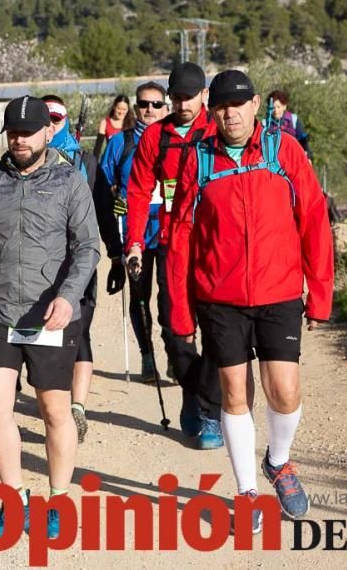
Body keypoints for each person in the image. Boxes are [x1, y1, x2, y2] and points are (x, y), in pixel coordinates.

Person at [166, 70, 334, 533]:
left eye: (238, 104)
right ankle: (245, 491)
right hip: (220, 299)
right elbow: (179, 237)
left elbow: (315, 219)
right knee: (235, 394)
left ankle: (278, 462)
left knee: (285, 391)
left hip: (279, 292)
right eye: (220, 106)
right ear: (210, 110)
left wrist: (319, 294)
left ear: (256, 104)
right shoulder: (198, 161)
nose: (230, 113)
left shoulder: (284, 151)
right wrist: (180, 313)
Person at [0, 96, 100, 540]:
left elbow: (88, 248)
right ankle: (14, 500)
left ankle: (58, 499)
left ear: (47, 132)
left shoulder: (69, 181)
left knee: (54, 410)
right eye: (13, 133)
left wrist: (69, 298)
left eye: (28, 132)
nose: (19, 140)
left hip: (50, 316)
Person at [123, 63, 223, 450]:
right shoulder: (155, 137)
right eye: (176, 97)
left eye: (189, 97)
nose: (182, 104)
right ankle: (191, 389)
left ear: (204, 95)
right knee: (174, 329)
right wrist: (134, 242)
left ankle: (209, 409)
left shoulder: (217, 132)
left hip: (216, 245)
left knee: (217, 328)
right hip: (171, 244)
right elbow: (136, 190)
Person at [42, 94, 119, 443]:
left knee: (79, 330)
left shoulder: (85, 161)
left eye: (56, 118)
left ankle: (78, 407)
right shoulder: (22, 161)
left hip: (80, 263)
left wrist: (117, 255)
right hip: (40, 267)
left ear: (65, 120)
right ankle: (54, 397)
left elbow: (103, 211)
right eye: (45, 119)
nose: (51, 125)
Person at [99, 82, 170, 386]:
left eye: (156, 104)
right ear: (136, 106)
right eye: (143, 104)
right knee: (141, 295)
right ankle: (147, 356)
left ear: (166, 106)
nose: (149, 110)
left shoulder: (174, 138)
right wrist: (113, 199)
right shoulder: (121, 142)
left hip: (169, 229)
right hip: (134, 232)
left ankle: (176, 352)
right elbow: (103, 183)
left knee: (171, 297)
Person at [268, 89, 311, 159]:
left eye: (278, 107)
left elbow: (303, 140)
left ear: (284, 106)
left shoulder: (293, 119)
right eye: (273, 108)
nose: (276, 111)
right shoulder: (266, 124)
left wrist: (308, 157)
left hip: (294, 158)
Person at [93, 94, 135, 159]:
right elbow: (97, 149)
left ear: (128, 109)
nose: (121, 112)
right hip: (110, 160)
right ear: (114, 107)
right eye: (119, 109)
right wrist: (94, 164)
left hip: (127, 161)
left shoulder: (133, 123)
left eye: (124, 109)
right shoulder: (105, 123)